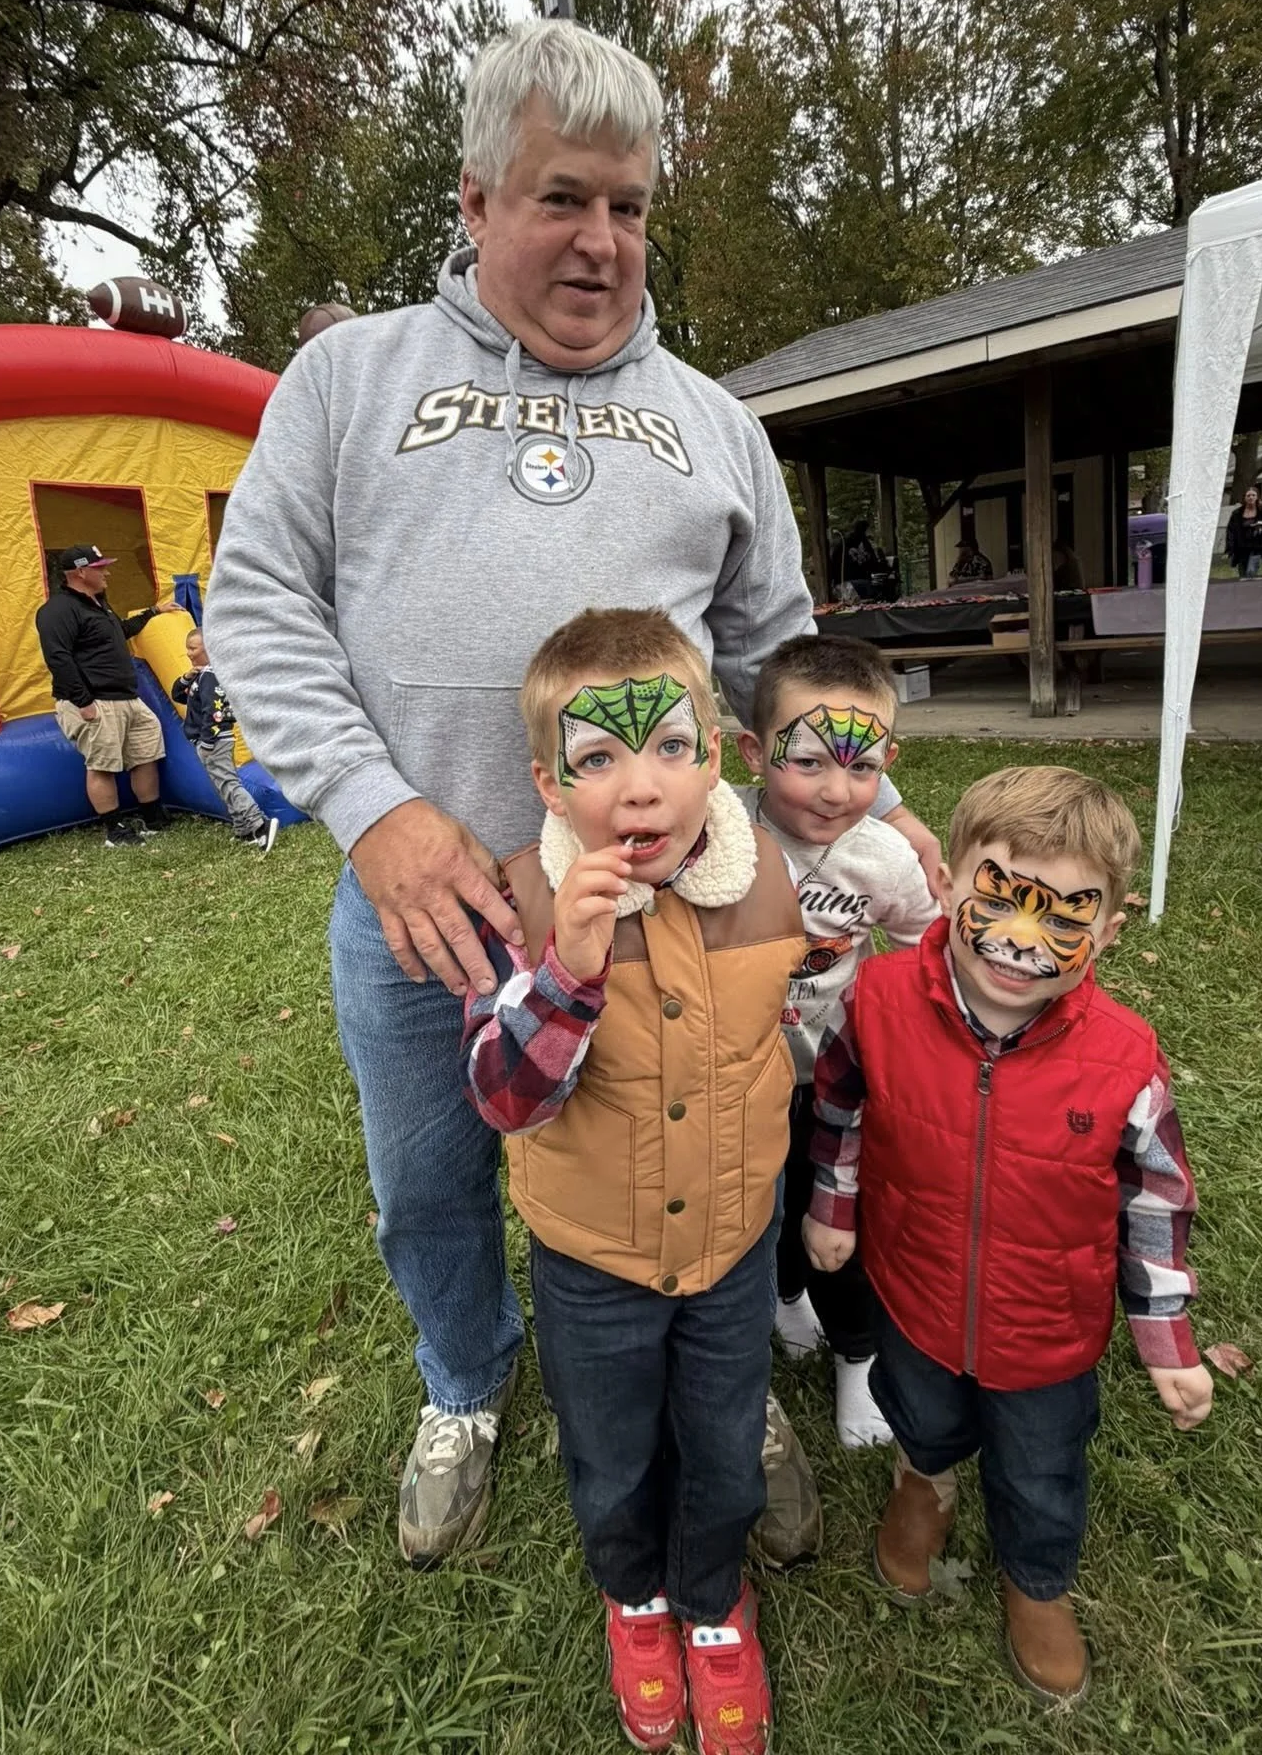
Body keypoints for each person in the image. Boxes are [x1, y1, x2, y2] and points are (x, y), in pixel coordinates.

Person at [203, 19, 942, 1565]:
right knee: (429, 1180)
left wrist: (857, 806)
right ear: (475, 203)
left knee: (720, 1151)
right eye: (562, 199)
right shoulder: (349, 381)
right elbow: (258, 604)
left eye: (629, 204)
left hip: (681, 919)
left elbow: (774, 667)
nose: (602, 241)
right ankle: (466, 1383)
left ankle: (722, 1391)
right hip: (430, 904)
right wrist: (374, 805)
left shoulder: (717, 423)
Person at [461, 608, 805, 1755]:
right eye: (597, 757)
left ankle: (712, 1601)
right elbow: (504, 1094)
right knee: (610, 1452)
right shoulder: (517, 902)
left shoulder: (772, 886)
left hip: (729, 1245)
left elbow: (797, 1035)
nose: (640, 788)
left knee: (720, 1444)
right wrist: (567, 971)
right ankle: (637, 1600)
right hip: (590, 1258)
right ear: (549, 784)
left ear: (717, 751)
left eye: (668, 747)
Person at [805, 765, 1212, 1707]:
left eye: (1065, 915)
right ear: (946, 883)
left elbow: (1156, 1201)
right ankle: (925, 1484)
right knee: (924, 1413)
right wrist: (832, 1207)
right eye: (1001, 897)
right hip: (912, 1290)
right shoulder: (877, 1001)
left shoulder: (1124, 1057)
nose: (1023, 940)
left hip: (1048, 1333)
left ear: (1108, 930)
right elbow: (840, 1104)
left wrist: (1167, 1338)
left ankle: (1038, 1584)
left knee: (1041, 1470)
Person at [735, 635, 936, 1450]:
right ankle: (785, 1301)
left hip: (836, 1080)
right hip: (737, 1078)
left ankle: (858, 1356)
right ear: (753, 752)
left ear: (886, 761)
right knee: (764, 1208)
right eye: (808, 761)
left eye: (862, 767)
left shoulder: (882, 857)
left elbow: (929, 947)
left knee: (837, 1218)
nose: (835, 789)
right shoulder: (715, 836)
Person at [35, 543, 177, 847]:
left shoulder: (99, 602)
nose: (108, 573)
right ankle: (115, 830)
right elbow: (58, 658)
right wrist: (83, 701)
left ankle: (152, 817)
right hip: (94, 700)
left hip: (126, 697)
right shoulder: (58, 610)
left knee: (146, 753)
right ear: (81, 572)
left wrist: (153, 612)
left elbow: (119, 632)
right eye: (101, 568)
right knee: (101, 764)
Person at [171, 628, 279, 852]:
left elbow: (214, 712)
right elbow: (179, 695)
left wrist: (208, 742)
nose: (189, 653)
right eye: (187, 649)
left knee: (229, 784)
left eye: (193, 648)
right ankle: (243, 828)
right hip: (209, 740)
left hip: (215, 740)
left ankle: (259, 825)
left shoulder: (212, 675)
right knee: (222, 784)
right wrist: (188, 676)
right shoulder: (202, 675)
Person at [1224, 487, 1262, 577]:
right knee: (1243, 575)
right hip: (1241, 548)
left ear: (1257, 497)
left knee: (1251, 572)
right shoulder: (1237, 513)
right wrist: (1229, 548)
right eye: (1248, 495)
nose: (1251, 497)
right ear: (1245, 498)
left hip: (1257, 547)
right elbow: (1230, 531)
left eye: (1253, 495)